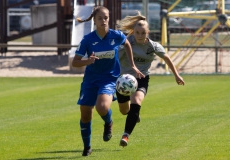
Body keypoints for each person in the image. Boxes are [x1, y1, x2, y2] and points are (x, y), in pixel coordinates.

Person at [71, 6, 144, 156]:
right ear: (94, 20)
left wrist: (132, 65)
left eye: (106, 18)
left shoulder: (115, 35)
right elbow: (75, 62)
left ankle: (108, 122)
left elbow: (127, 44)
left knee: (102, 107)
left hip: (109, 79)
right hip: (90, 80)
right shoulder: (87, 40)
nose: (103, 21)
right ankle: (87, 147)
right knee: (85, 115)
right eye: (100, 18)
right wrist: (88, 61)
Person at [116, 11, 185, 147]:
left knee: (136, 101)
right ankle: (134, 115)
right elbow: (114, 58)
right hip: (123, 80)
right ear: (133, 32)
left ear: (147, 32)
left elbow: (167, 58)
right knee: (124, 111)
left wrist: (176, 75)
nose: (140, 36)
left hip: (141, 78)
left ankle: (126, 135)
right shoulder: (126, 43)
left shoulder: (153, 46)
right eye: (137, 32)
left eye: (143, 33)